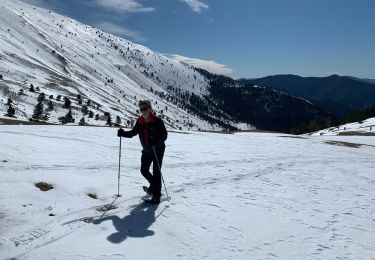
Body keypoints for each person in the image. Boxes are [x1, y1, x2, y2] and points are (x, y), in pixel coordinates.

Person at [117, 100, 167, 204]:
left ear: (150, 108)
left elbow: (164, 136)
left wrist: (156, 140)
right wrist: (123, 133)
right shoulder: (140, 121)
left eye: (145, 108)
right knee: (144, 170)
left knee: (156, 172)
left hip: (157, 150)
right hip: (147, 150)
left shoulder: (157, 121)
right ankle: (154, 187)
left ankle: (156, 196)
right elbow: (133, 133)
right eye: (141, 109)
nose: (143, 111)